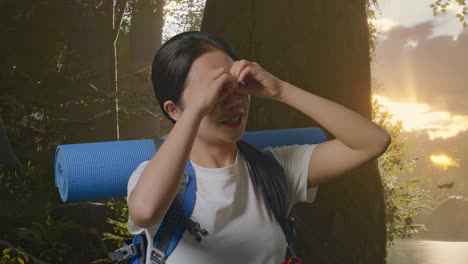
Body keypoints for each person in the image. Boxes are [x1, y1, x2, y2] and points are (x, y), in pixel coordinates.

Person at [126, 31, 391, 264]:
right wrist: (196, 109)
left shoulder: (275, 170)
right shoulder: (154, 177)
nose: (234, 103)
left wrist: (282, 90)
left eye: (236, 86)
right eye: (214, 91)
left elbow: (372, 142)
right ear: (174, 110)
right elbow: (146, 211)